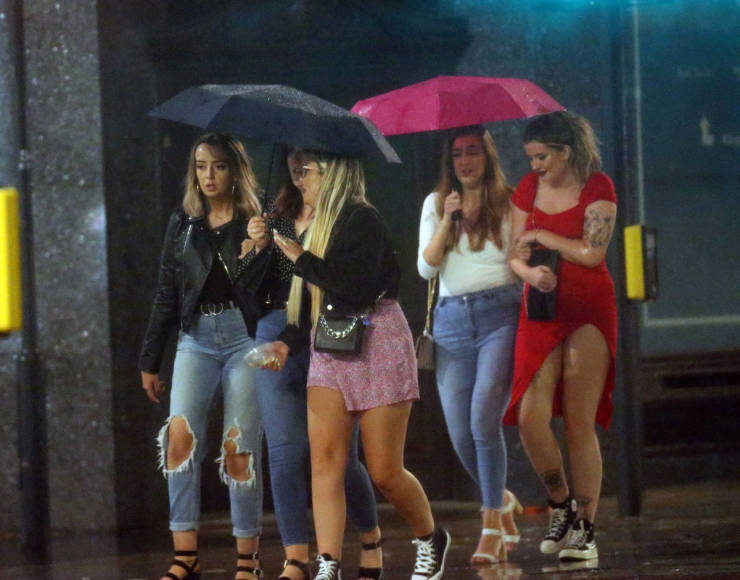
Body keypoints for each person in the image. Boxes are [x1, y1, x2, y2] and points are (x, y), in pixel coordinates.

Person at [260, 150, 450, 580]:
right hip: (329, 345)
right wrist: (286, 342)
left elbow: (356, 288)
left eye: (306, 171)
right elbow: (310, 304)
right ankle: (328, 564)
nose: (299, 180)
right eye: (295, 172)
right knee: (326, 462)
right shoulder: (310, 226)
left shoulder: (362, 219)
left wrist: (301, 257)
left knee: (384, 471)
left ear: (332, 174)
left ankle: (430, 537)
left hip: (377, 341)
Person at [246, 147, 383, 580]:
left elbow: (348, 286)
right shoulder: (277, 216)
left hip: (330, 332)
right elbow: (250, 290)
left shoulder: (345, 218)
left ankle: (370, 538)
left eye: (307, 159)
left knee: (341, 459)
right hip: (280, 330)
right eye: (293, 155)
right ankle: (297, 559)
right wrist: (256, 249)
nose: (297, 163)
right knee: (285, 453)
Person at [139, 133, 270, 580]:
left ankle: (248, 560)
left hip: (244, 338)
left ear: (236, 170)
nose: (208, 175)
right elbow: (166, 291)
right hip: (195, 338)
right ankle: (185, 558)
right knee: (179, 441)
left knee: (239, 448)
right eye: (200, 166)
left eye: (218, 165)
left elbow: (278, 286)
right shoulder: (184, 222)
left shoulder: (257, 219)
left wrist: (260, 247)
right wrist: (150, 359)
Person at [505, 111, 618, 562]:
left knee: (577, 422)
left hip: (588, 309)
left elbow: (592, 254)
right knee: (529, 416)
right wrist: (528, 272)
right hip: (541, 309)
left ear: (565, 152)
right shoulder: (527, 189)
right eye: (531, 158)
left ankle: (585, 529)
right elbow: (515, 254)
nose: (535, 166)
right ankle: (561, 503)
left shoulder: (597, 187)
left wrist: (544, 235)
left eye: (542, 157)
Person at [417, 125, 523, 566]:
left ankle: (491, 524)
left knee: (483, 419)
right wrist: (448, 219)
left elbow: (517, 263)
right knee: (461, 434)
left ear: (487, 156)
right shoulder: (436, 203)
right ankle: (503, 499)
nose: (465, 161)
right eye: (458, 153)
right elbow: (426, 268)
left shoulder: (510, 201)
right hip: (451, 322)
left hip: (500, 315)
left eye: (473, 151)